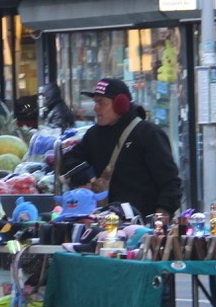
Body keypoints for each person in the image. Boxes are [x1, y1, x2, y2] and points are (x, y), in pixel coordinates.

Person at [62, 78, 181, 219]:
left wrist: (162, 215)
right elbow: (70, 158)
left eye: (101, 102)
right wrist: (84, 179)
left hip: (141, 223)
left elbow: (170, 182)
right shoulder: (94, 135)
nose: (95, 108)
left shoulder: (148, 134)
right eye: (95, 102)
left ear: (120, 104)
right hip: (104, 221)